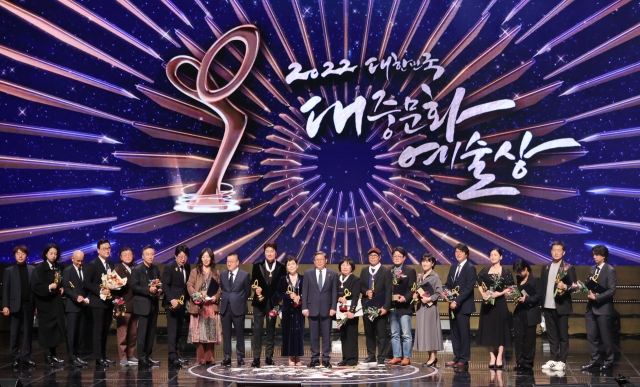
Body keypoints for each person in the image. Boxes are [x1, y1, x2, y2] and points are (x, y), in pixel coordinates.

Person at [540, 241, 576, 372]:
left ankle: (562, 360)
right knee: (552, 335)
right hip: (547, 306)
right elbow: (543, 287)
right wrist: (541, 305)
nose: (556, 252)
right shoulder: (546, 267)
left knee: (563, 335)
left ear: (563, 252)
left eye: (559, 250)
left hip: (561, 306)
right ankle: (553, 358)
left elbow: (575, 286)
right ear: (551, 251)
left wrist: (565, 287)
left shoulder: (568, 267)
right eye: (554, 250)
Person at [476, 248, 514, 369]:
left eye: (495, 255)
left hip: (500, 303)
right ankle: (492, 356)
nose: (493, 257)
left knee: (501, 330)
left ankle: (499, 356)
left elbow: (511, 287)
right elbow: (479, 284)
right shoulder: (485, 270)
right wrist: (483, 294)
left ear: (501, 257)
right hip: (488, 304)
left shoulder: (506, 271)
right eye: (491, 255)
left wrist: (499, 293)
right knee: (489, 330)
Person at [581, 244, 617, 373]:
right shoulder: (592, 269)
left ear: (604, 256)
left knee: (606, 336)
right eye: (593, 254)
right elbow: (588, 283)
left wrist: (597, 298)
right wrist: (582, 287)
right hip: (591, 308)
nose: (594, 257)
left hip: (603, 308)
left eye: (596, 254)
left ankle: (609, 361)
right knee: (591, 336)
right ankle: (594, 360)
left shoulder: (610, 270)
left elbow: (612, 290)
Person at [250, 242, 286, 367]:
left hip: (273, 303)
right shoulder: (257, 265)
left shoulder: (282, 267)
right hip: (259, 302)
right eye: (267, 251)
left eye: (272, 251)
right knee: (258, 330)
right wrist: (256, 290)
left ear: (276, 253)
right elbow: (252, 282)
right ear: (264, 252)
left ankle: (269, 356)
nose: (269, 253)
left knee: (271, 330)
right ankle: (256, 357)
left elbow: (283, 285)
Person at [30, 243, 66, 366]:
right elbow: (35, 286)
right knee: (47, 330)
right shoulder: (39, 269)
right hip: (45, 303)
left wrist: (62, 288)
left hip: (56, 303)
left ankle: (54, 354)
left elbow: (62, 282)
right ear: (46, 254)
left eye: (55, 254)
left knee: (56, 329)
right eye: (51, 253)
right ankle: (48, 355)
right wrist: (49, 287)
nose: (53, 256)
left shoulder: (59, 267)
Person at [186, 248, 222, 365]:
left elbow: (219, 288)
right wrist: (197, 295)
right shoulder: (195, 271)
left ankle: (210, 358)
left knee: (211, 332)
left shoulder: (216, 272)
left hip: (211, 305)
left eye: (208, 257)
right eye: (204, 256)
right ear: (201, 258)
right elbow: (189, 285)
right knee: (199, 333)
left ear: (211, 258)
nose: (206, 259)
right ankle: (201, 359)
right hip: (199, 305)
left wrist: (215, 297)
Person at [302, 251, 337, 368]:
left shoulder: (332, 274)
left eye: (321, 259)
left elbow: (334, 293)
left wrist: (333, 307)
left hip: (327, 309)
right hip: (312, 308)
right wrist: (304, 307)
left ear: (326, 260)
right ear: (314, 261)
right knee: (313, 335)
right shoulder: (308, 273)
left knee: (327, 335)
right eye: (317, 259)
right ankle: (314, 358)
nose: (319, 261)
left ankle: (326, 358)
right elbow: (305, 291)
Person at [3, 245, 36, 368]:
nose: (20, 255)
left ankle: (26, 357)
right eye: (18, 253)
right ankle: (15, 357)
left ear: (26, 255)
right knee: (14, 333)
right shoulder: (9, 270)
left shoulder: (32, 269)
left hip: (29, 305)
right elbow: (5, 289)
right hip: (15, 305)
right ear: (15, 255)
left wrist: (36, 306)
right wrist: (5, 305)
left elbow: (34, 289)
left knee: (28, 333)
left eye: (22, 253)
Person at [444, 243, 477, 369]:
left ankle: (464, 358)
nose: (458, 254)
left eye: (461, 252)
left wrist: (456, 301)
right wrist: (446, 294)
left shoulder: (470, 268)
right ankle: (457, 357)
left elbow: (468, 288)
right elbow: (447, 284)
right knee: (454, 333)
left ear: (466, 254)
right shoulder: (453, 267)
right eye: (456, 251)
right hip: (451, 305)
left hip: (463, 306)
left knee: (463, 333)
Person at [84, 238, 116, 366]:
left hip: (108, 302)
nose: (107, 251)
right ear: (98, 250)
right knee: (98, 331)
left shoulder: (111, 264)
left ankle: (103, 355)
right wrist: (100, 290)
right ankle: (98, 358)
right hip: (97, 302)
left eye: (109, 248)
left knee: (105, 330)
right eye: (104, 249)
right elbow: (86, 283)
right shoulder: (93, 264)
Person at [359, 247, 392, 366]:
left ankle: (381, 357)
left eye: (375, 255)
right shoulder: (364, 271)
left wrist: (386, 307)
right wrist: (366, 291)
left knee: (381, 333)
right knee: (369, 332)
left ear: (380, 257)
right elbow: (360, 286)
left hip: (380, 307)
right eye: (370, 256)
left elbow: (389, 291)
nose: (373, 257)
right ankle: (371, 356)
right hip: (367, 306)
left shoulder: (386, 271)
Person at [131, 246, 163, 367]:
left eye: (152, 254)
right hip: (143, 305)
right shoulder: (137, 269)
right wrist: (148, 290)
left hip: (153, 304)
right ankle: (142, 357)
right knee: (142, 332)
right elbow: (134, 287)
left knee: (151, 332)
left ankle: (149, 356)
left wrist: (160, 290)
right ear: (143, 256)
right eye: (147, 254)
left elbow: (159, 283)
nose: (150, 256)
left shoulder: (155, 269)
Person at [161, 244, 191, 367]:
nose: (183, 259)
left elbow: (186, 286)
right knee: (172, 330)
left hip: (182, 304)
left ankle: (176, 353)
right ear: (175, 256)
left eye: (185, 257)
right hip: (172, 304)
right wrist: (171, 300)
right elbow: (165, 285)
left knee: (179, 329)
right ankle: (172, 355)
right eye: (180, 256)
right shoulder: (169, 267)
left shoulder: (187, 267)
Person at [219, 252, 251, 367]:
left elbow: (248, 292)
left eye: (231, 261)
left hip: (238, 308)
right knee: (226, 334)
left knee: (239, 333)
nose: (229, 263)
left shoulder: (245, 275)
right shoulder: (222, 274)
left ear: (237, 262)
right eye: (227, 261)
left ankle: (240, 356)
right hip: (225, 308)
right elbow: (222, 289)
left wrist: (237, 299)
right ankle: (227, 357)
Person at [413, 253, 443, 368]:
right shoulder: (420, 276)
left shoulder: (435, 277)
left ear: (432, 263)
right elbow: (418, 290)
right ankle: (430, 356)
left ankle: (433, 357)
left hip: (430, 308)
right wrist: (416, 297)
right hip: (421, 307)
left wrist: (429, 298)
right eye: (423, 261)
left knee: (431, 332)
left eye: (427, 261)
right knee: (424, 332)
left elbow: (438, 293)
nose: (425, 263)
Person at [512, 259, 543, 372]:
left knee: (529, 338)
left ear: (526, 269)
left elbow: (539, 296)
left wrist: (527, 299)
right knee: (518, 337)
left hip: (531, 311)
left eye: (520, 271)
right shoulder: (519, 278)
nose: (519, 274)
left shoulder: (535, 280)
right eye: (517, 272)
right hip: (520, 311)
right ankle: (519, 361)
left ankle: (528, 362)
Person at [274, 255, 305, 366]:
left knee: (299, 332)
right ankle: (290, 356)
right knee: (288, 333)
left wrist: (299, 297)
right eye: (288, 264)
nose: (291, 266)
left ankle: (298, 356)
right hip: (287, 309)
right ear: (286, 267)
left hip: (299, 309)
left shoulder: (302, 278)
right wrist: (289, 295)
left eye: (293, 264)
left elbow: (306, 293)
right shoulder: (283, 279)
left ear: (297, 265)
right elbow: (278, 293)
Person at [388, 246, 417, 366]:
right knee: (394, 333)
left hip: (404, 306)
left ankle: (407, 357)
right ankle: (397, 356)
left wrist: (405, 297)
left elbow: (412, 288)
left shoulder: (410, 271)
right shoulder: (388, 271)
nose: (396, 258)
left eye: (399, 256)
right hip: (392, 306)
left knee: (406, 333)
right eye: (394, 256)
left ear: (404, 258)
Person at [63, 250, 90, 367]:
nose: (80, 263)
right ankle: (72, 357)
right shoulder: (67, 271)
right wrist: (76, 297)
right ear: (72, 259)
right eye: (78, 261)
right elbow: (66, 288)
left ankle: (78, 356)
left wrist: (87, 298)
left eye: (82, 261)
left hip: (83, 307)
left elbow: (88, 286)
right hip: (72, 306)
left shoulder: (85, 270)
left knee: (80, 333)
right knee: (72, 333)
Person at [114, 247, 138, 367]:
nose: (128, 256)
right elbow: (114, 289)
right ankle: (123, 357)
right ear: (120, 257)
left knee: (133, 333)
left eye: (130, 254)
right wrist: (117, 306)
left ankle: (131, 355)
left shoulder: (136, 267)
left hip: (135, 305)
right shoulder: (117, 269)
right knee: (122, 333)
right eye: (125, 254)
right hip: (123, 306)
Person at [336, 256, 361, 366]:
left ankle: (352, 359)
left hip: (351, 312)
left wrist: (352, 311)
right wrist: (338, 298)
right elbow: (333, 293)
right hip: (340, 311)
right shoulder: (337, 278)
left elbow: (355, 296)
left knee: (351, 334)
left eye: (347, 265)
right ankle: (345, 358)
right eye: (343, 265)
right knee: (343, 334)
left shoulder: (355, 280)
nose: (345, 267)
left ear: (352, 267)